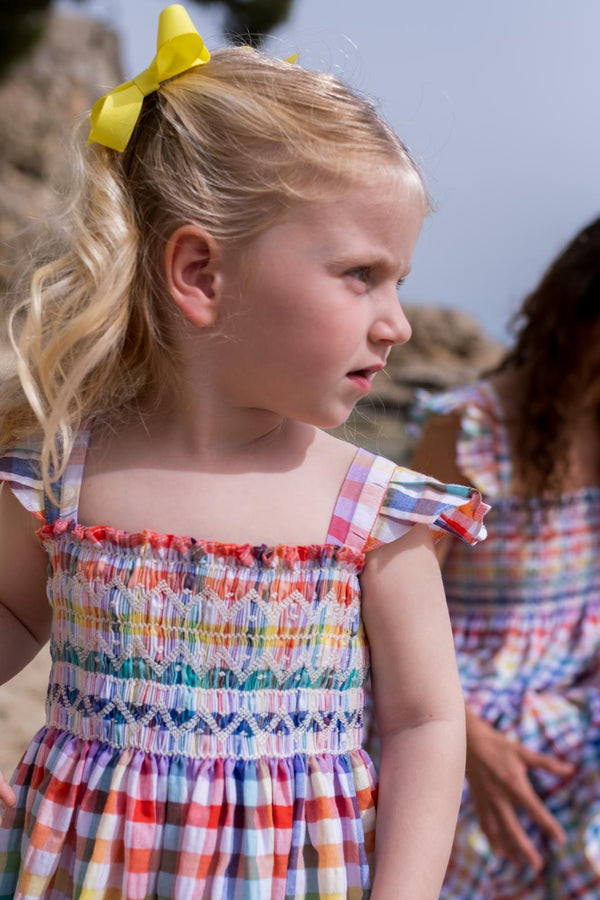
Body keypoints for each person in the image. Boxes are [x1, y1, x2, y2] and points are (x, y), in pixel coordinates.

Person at [0, 5, 488, 898]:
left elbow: (424, 720)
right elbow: (16, 615)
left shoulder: (370, 508)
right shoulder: (68, 475)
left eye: (402, 281)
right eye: (360, 274)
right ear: (201, 274)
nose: (400, 322)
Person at [410, 215, 600, 899]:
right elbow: (391, 612)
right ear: (579, 312)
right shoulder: (467, 430)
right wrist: (469, 742)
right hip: (464, 713)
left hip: (580, 719)